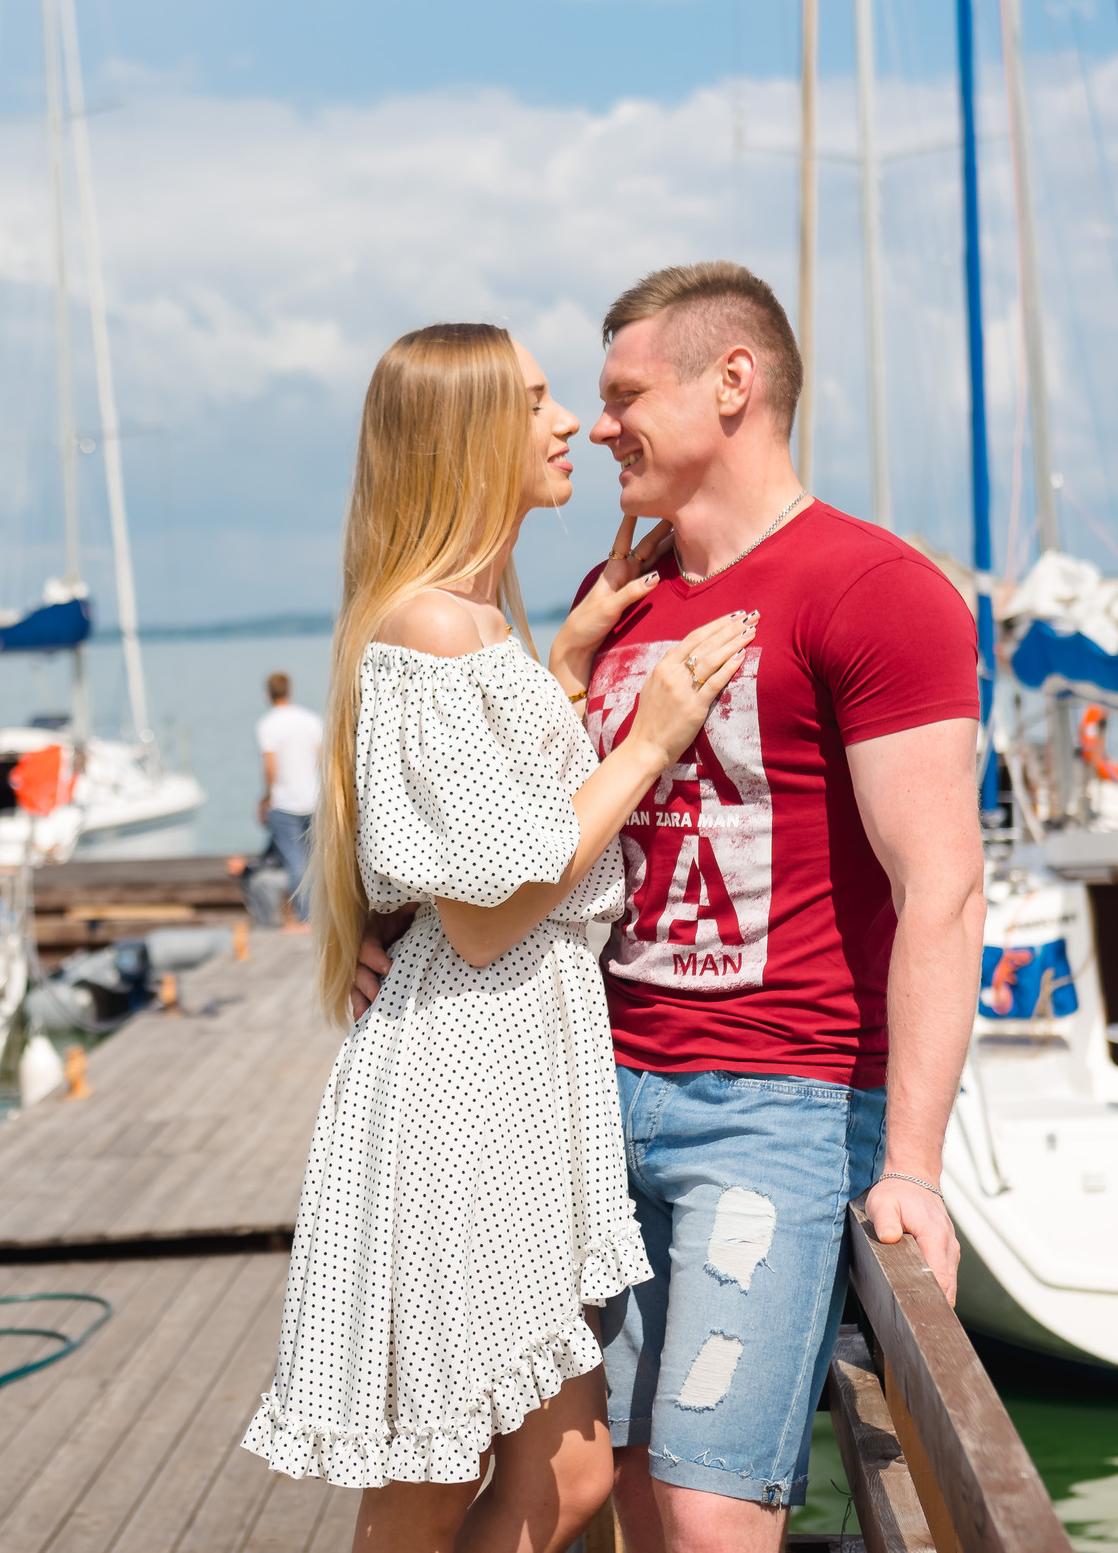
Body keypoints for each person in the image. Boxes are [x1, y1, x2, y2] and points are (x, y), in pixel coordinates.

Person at [363, 262, 984, 1553]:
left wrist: (913, 1159)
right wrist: (401, 936)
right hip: (584, 1100)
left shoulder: (875, 587)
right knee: (621, 1492)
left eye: (624, 395)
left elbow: (943, 884)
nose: (598, 427)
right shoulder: (624, 593)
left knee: (707, 1506)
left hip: (773, 1107)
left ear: (735, 386)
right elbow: (510, 812)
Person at [241, 321, 755, 1553]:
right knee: (430, 1486)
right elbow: (484, 909)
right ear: (468, 435)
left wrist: (562, 669)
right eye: (532, 402)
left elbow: (498, 823)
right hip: (468, 1084)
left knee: (568, 1478)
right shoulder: (430, 628)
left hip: (510, 1073)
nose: (567, 421)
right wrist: (646, 740)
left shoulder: (467, 628)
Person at [254, 671, 323, 932]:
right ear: (290, 690)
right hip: (314, 800)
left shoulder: (267, 725)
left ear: (267, 694)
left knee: (295, 862)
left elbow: (270, 768)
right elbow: (322, 758)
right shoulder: (310, 719)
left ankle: (306, 919)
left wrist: (266, 797)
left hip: (285, 803)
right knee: (315, 861)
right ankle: (319, 914)